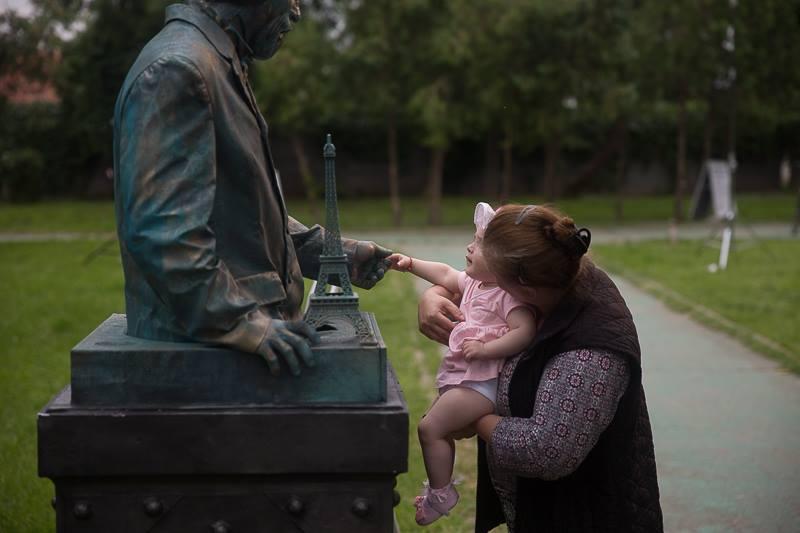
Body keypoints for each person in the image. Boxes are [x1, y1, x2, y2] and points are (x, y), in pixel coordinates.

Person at [112, 0, 391, 376]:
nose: (296, 12)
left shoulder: (215, 62)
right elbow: (162, 232)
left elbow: (242, 212)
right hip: (205, 357)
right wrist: (243, 323)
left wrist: (335, 253)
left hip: (229, 343)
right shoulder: (178, 68)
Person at [418, 204, 663, 532]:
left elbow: (544, 451)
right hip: (540, 508)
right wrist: (432, 297)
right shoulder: (549, 261)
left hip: (584, 515)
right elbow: (472, 280)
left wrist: (470, 413)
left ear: (524, 290)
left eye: (500, 283)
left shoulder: (591, 352)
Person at [388, 203, 537, 526]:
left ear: (504, 261)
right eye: (474, 239)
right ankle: (439, 489)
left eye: (479, 243)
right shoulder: (473, 283)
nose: (470, 247)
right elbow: (444, 273)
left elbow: (524, 331)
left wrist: (486, 348)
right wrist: (411, 264)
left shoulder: (506, 297)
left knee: (430, 428)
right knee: (437, 428)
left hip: (482, 385)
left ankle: (441, 494)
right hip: (466, 379)